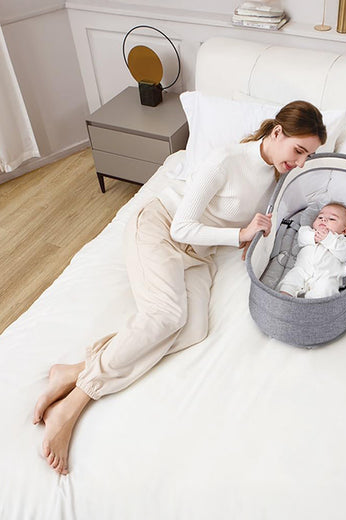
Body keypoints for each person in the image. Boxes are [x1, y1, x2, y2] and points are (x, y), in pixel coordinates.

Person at [33, 100, 327, 475]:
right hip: (160, 227)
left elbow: (260, 219)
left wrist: (253, 237)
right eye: (299, 151)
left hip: (199, 254)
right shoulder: (225, 161)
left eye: (308, 156)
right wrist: (239, 234)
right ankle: (73, 404)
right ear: (277, 132)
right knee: (165, 316)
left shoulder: (276, 177)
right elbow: (181, 227)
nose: (300, 162)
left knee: (193, 329)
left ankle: (74, 370)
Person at [279, 203, 346, 299]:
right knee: (290, 280)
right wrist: (314, 237)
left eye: (332, 219)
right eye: (320, 217)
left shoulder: (344, 241)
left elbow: (345, 254)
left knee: (327, 288)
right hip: (302, 270)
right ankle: (284, 299)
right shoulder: (307, 231)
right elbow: (301, 239)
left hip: (326, 275)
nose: (324, 220)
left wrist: (328, 239)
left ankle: (314, 304)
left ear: (344, 231)